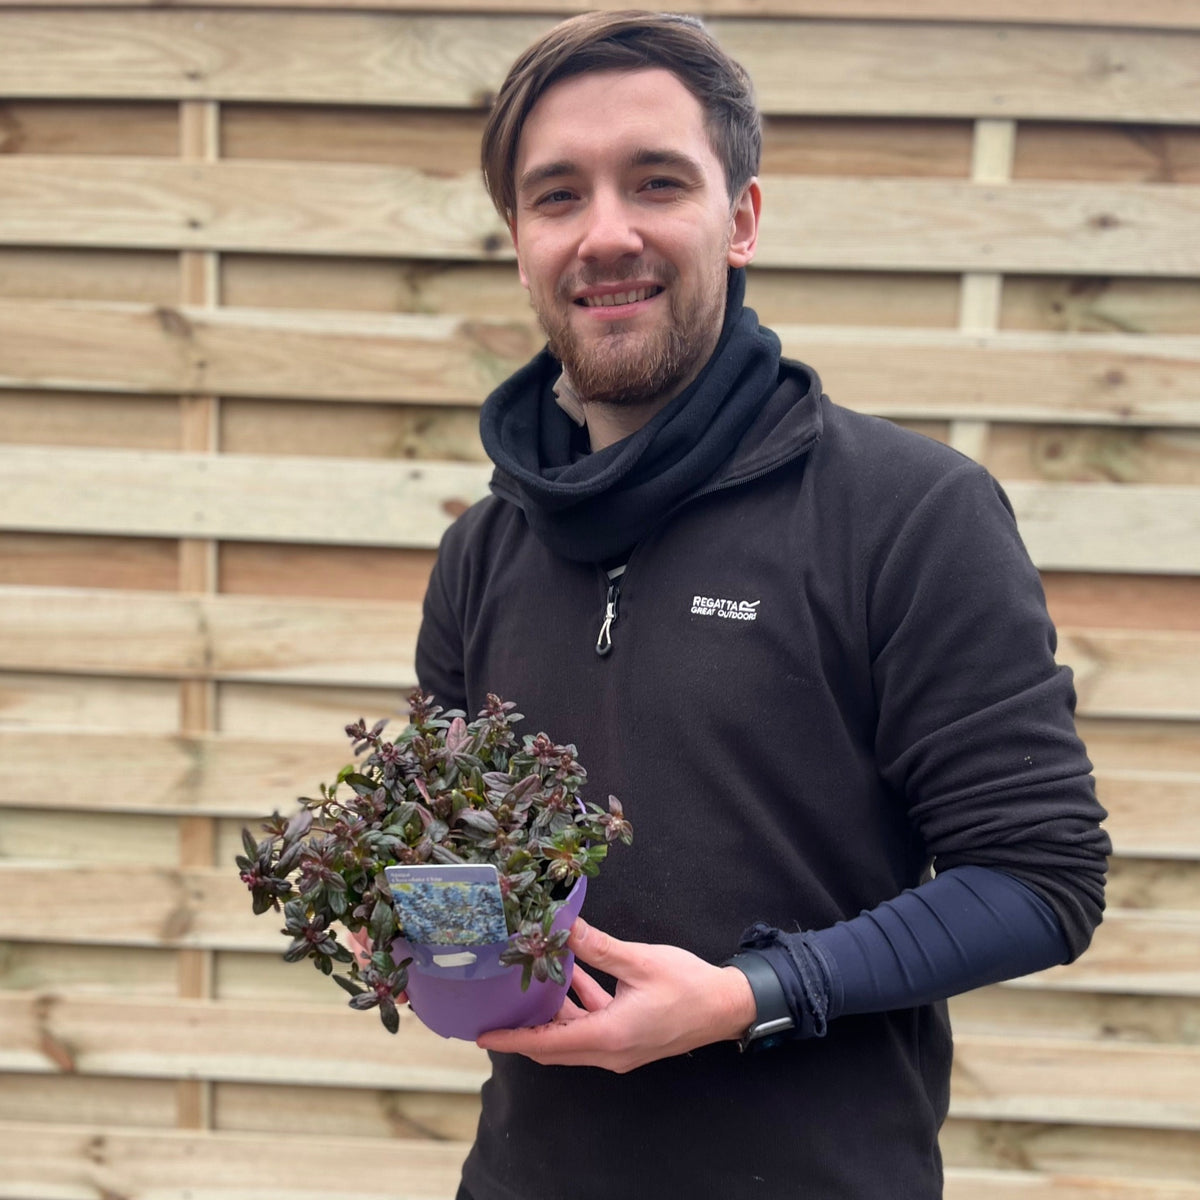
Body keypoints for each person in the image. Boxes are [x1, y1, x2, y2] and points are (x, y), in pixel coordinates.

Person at [414, 11, 1110, 1199]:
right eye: (558, 195)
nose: (607, 232)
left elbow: (1041, 876)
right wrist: (413, 922)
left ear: (739, 218)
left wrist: (749, 997)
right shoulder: (484, 547)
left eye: (656, 182)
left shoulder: (907, 513)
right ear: (520, 241)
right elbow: (448, 857)